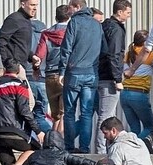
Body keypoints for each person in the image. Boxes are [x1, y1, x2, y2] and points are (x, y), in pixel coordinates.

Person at [59, 0, 103, 153]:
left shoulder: (74, 22)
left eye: (70, 7)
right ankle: (84, 149)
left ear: (77, 7)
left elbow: (66, 48)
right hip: (92, 74)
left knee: (70, 112)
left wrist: (61, 71)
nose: (68, 10)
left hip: (74, 73)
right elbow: (103, 49)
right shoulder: (97, 25)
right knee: (86, 113)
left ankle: (69, 148)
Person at [94, 0, 131, 154]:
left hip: (98, 74)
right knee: (106, 114)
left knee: (101, 113)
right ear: (120, 11)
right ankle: (102, 151)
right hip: (109, 77)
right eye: (128, 13)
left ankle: (103, 148)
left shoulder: (105, 26)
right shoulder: (116, 29)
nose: (129, 16)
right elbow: (114, 54)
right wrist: (117, 79)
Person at [36, 5, 72, 131]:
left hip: (49, 76)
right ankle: (60, 144)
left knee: (55, 115)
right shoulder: (71, 32)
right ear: (70, 16)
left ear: (56, 17)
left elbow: (40, 55)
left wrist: (36, 69)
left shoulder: (47, 33)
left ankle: (53, 142)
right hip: (66, 75)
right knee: (64, 114)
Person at [121, 30, 153, 139]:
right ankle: (136, 147)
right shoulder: (150, 56)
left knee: (134, 129)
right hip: (138, 94)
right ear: (145, 43)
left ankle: (130, 150)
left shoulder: (128, 54)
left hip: (124, 94)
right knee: (149, 127)